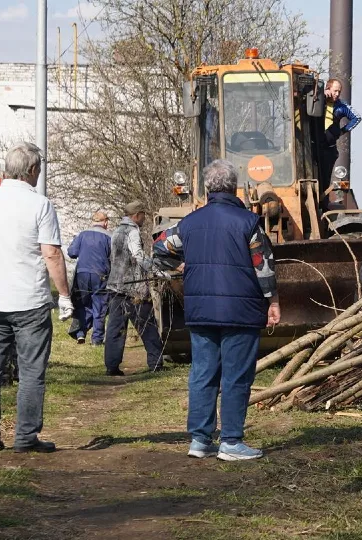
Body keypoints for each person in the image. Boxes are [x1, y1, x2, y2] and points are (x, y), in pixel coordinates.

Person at [154, 159, 279, 461]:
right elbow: (262, 266)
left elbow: (159, 248)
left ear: (207, 188)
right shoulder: (248, 222)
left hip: (200, 310)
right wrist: (273, 301)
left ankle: (199, 440)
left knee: (203, 373)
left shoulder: (189, 223)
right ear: (234, 187)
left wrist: (175, 268)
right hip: (241, 311)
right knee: (236, 376)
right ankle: (232, 442)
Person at [0, 142, 73, 453]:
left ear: (5, 170)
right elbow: (51, 253)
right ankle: (25, 438)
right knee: (31, 371)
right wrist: (64, 295)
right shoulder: (40, 205)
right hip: (29, 303)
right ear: (33, 171)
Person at [104, 201, 169, 376]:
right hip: (134, 288)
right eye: (143, 215)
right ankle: (156, 363)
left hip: (115, 286)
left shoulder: (116, 231)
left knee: (115, 329)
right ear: (136, 215)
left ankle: (111, 366)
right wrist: (157, 271)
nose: (144, 218)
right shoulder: (133, 231)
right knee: (148, 326)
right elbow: (138, 256)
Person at [66, 210, 112, 345]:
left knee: (82, 304)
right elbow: (114, 257)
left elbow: (72, 252)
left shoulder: (82, 234)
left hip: (82, 274)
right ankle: (97, 339)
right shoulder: (109, 236)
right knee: (100, 306)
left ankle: (80, 333)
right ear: (106, 222)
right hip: (101, 274)